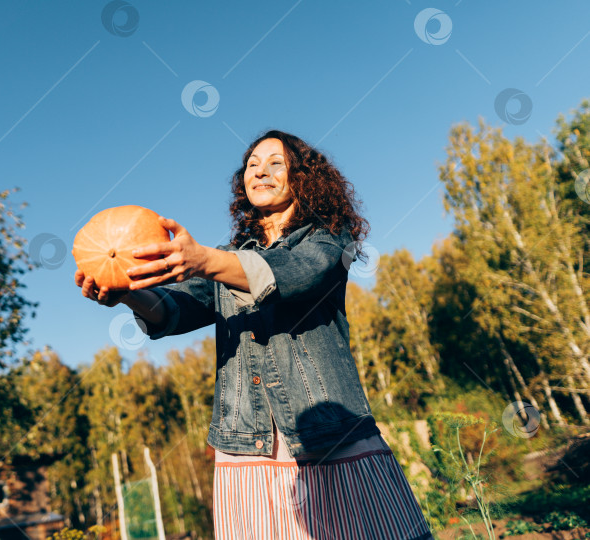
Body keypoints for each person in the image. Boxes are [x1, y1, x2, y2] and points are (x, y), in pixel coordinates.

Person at [74, 130, 433, 540]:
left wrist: (205, 260)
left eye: (275, 163)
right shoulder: (228, 257)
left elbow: (296, 275)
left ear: (303, 176)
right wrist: (128, 295)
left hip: (330, 434)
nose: (260, 171)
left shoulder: (328, 238)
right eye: (252, 165)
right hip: (244, 443)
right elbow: (174, 310)